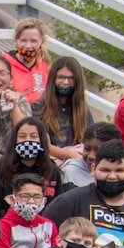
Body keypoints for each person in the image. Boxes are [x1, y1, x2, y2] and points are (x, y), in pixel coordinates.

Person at [41, 140, 124, 248]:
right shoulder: (69, 202)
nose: (112, 176)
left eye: (120, 170)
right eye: (105, 170)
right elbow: (45, 241)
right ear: (93, 169)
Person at [37, 57, 93, 185]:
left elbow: (90, 139)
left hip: (79, 156)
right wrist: (71, 155)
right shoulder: (39, 107)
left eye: (71, 78)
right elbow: (44, 145)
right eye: (61, 77)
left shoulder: (83, 108)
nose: (65, 82)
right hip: (52, 159)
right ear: (53, 79)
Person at [0, 118, 62, 210]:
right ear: (15, 140)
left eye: (33, 136)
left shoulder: (51, 170)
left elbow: (58, 205)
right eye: (22, 136)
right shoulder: (1, 169)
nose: (27, 141)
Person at [0, 175, 57, 248]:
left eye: (37, 197)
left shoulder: (49, 225)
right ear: (12, 199)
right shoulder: (3, 227)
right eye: (25, 196)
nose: (31, 201)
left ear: (44, 201)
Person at [5, 18, 52, 106]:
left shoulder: (47, 68)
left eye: (33, 41)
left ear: (42, 42)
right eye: (23, 40)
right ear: (16, 40)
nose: (28, 46)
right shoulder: (4, 64)